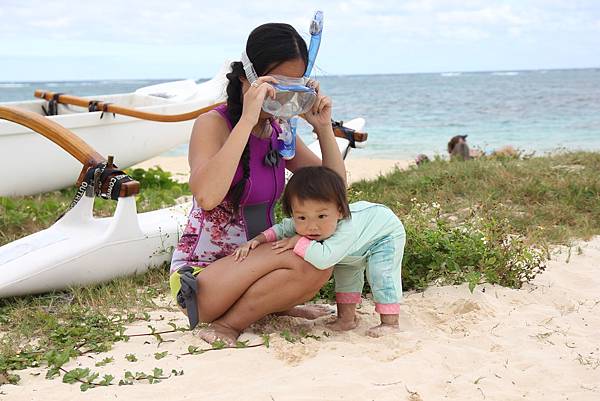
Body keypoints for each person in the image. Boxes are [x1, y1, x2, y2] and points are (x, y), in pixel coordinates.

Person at [168, 22, 347, 345]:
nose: (282, 98)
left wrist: (322, 128)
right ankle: (226, 326)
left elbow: (333, 195)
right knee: (306, 254)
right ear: (246, 80)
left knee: (321, 258)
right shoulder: (213, 124)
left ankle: (271, 306)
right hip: (200, 284)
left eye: (295, 88)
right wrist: (248, 119)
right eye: (276, 86)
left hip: (251, 268)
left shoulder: (280, 132)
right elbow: (207, 196)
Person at [233, 166, 406, 337]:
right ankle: (346, 320)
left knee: (381, 274)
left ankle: (390, 323)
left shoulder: (347, 228)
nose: (311, 226)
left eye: (322, 216)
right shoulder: (305, 220)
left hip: (383, 236)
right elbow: (281, 228)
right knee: (346, 276)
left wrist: (298, 241)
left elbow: (324, 259)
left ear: (340, 211)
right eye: (301, 217)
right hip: (353, 249)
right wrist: (256, 240)